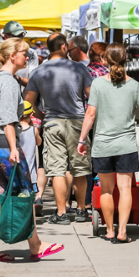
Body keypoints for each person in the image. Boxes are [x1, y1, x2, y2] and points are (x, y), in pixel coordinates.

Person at [0, 38, 63, 262]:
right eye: (24, 53)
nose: (28, 57)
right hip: (4, 145)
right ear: (12, 56)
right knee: (26, 192)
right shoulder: (7, 81)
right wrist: (14, 147)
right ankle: (36, 245)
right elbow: (7, 118)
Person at [77, 44, 139, 243]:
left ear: (105, 61)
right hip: (126, 146)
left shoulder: (97, 84)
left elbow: (90, 114)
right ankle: (122, 231)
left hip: (102, 145)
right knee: (125, 189)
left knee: (106, 189)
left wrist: (82, 140)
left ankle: (109, 230)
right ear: (126, 60)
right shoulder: (134, 85)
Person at [25, 36, 93, 225]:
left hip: (52, 123)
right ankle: (81, 210)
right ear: (64, 47)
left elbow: (28, 101)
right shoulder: (79, 68)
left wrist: (42, 115)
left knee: (57, 170)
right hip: (77, 123)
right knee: (79, 168)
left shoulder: (39, 71)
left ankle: (62, 213)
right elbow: (91, 94)